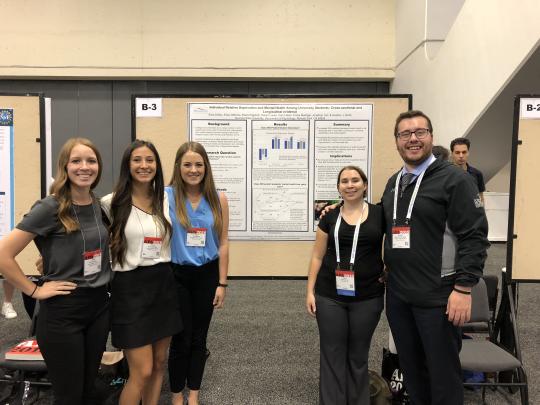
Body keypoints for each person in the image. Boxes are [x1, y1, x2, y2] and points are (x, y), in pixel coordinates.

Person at [382, 111, 489, 405]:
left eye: (420, 132)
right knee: (413, 373)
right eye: (405, 134)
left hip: (439, 297)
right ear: (397, 141)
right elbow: (386, 224)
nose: (413, 138)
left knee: (442, 375)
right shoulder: (394, 182)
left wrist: (464, 288)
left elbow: (475, 236)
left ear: (431, 136)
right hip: (400, 296)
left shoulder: (454, 179)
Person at [0, 138, 112, 405]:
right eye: (76, 161)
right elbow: (3, 254)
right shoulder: (51, 206)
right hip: (63, 310)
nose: (84, 167)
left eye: (91, 161)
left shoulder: (98, 205)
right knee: (68, 395)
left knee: (88, 389)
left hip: (98, 307)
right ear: (65, 166)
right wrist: (34, 290)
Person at [100, 140, 182, 405]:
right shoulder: (110, 203)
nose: (144, 165)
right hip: (129, 289)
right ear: (128, 165)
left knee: (159, 364)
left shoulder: (166, 198)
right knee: (141, 371)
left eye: (150, 160)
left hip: (163, 285)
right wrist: (50, 256)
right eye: (137, 160)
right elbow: (86, 236)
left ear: (157, 165)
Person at [306, 165, 384, 405]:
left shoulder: (380, 214)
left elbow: (394, 248)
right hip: (330, 294)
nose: (350, 185)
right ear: (338, 188)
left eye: (355, 180)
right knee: (332, 353)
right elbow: (317, 256)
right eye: (344, 181)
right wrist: (310, 291)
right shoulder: (329, 217)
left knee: (358, 355)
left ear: (365, 185)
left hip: (368, 296)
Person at [166, 141, 229, 405]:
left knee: (199, 337)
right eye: (188, 164)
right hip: (176, 274)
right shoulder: (166, 195)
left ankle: (194, 394)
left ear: (206, 167)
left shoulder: (218, 198)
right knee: (180, 338)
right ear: (178, 167)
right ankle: (176, 394)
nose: (193, 170)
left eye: (199, 164)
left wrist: (222, 283)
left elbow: (224, 242)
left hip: (207, 275)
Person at [450, 137, 486, 204]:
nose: (461, 156)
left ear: (468, 153)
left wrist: (479, 212)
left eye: (464, 152)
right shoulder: (445, 173)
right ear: (452, 154)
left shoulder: (477, 174)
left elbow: (479, 197)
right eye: (457, 153)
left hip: (471, 213)